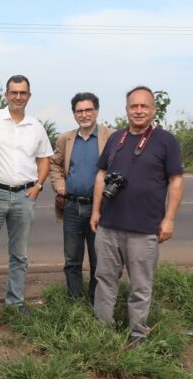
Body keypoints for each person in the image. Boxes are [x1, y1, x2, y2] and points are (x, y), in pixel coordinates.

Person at [90, 86, 184, 347]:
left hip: (144, 229)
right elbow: (100, 175)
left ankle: (138, 334)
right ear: (127, 109)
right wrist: (96, 211)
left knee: (140, 286)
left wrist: (169, 219)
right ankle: (102, 330)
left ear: (153, 110)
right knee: (105, 280)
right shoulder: (116, 139)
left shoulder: (166, 140)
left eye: (144, 106)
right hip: (109, 225)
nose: (139, 111)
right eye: (134, 106)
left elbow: (176, 180)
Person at [0, 75, 53, 315]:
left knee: (19, 255)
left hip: (24, 197)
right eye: (13, 92)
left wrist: (38, 186)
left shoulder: (35, 126)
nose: (18, 97)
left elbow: (45, 159)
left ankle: (15, 303)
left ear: (29, 96)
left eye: (23, 93)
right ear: (6, 94)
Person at [50, 92, 114, 303]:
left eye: (88, 110)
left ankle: (97, 301)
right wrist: (60, 187)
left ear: (96, 111)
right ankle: (75, 301)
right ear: (74, 114)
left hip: (101, 210)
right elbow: (55, 164)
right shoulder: (66, 139)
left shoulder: (111, 137)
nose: (84, 114)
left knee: (99, 260)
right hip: (72, 207)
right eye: (80, 111)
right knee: (72, 259)